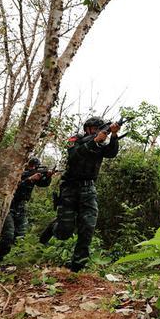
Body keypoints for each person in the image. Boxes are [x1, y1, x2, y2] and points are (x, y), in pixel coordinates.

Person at [39, 116, 121, 272]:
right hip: (70, 188)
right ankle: (52, 227)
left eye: (101, 129)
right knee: (64, 232)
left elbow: (111, 153)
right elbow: (75, 155)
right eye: (96, 129)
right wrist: (94, 140)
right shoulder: (75, 139)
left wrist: (114, 135)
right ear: (88, 129)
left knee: (88, 227)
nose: (99, 131)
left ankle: (78, 265)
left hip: (89, 189)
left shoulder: (100, 144)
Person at [0, 157, 54, 260]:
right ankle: (0, 259)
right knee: (8, 234)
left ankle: (14, 261)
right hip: (9, 206)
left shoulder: (35, 175)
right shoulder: (17, 173)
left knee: (21, 236)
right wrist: (29, 180)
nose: (33, 168)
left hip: (21, 208)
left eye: (35, 166)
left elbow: (44, 184)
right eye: (31, 165)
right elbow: (13, 186)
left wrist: (48, 176)